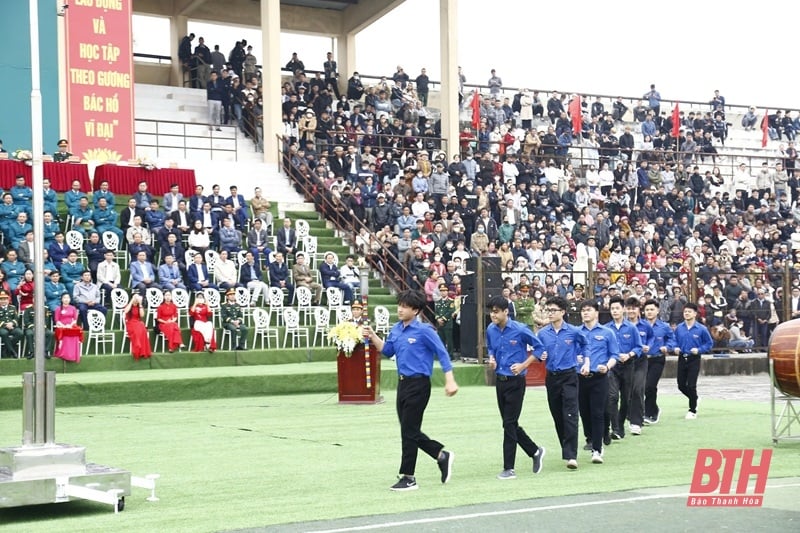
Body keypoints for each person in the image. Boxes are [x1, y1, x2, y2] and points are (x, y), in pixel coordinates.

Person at [362, 289, 458, 492]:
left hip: (419, 385)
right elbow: (387, 351)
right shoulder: (396, 329)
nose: (400, 309)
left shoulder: (425, 331)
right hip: (402, 384)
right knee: (409, 430)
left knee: (408, 431)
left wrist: (450, 380)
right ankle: (440, 455)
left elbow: (442, 353)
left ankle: (409, 476)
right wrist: (372, 336)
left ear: (416, 310)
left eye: (405, 306)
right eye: (400, 305)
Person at [485, 295, 546, 480]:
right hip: (500, 381)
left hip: (516, 382)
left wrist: (523, 365)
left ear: (505, 312)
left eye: (496, 312)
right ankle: (535, 451)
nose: (493, 315)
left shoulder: (520, 329)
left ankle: (509, 468)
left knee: (509, 424)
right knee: (508, 423)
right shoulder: (491, 329)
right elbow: (491, 347)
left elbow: (539, 349)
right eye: (491, 312)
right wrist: (492, 358)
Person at [537, 296, 588, 470]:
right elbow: (538, 350)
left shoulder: (573, 331)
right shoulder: (543, 333)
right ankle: (566, 447)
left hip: (570, 376)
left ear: (563, 312)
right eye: (548, 310)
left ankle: (571, 455)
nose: (550, 313)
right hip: (552, 377)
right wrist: (540, 355)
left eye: (553, 310)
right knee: (557, 415)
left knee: (571, 414)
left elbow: (585, 345)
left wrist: (583, 359)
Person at [578, 299, 619, 464]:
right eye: (583, 310)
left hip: (599, 376)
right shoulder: (577, 332)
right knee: (584, 412)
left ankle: (597, 448)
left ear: (596, 312)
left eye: (588, 310)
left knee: (597, 412)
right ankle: (590, 438)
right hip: (580, 377)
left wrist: (607, 367)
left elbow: (614, 355)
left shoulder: (607, 332)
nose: (585, 313)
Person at [604, 296, 643, 441]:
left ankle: (620, 423)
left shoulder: (631, 328)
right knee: (612, 396)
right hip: (613, 367)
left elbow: (638, 347)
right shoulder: (606, 328)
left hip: (628, 365)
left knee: (626, 398)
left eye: (617, 308)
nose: (614, 311)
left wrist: (629, 355)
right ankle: (615, 427)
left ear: (623, 310)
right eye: (612, 309)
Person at [669, 302, 713, 420]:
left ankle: (692, 410)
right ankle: (695, 398)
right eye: (685, 312)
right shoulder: (679, 328)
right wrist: (675, 347)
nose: (687, 313)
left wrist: (699, 350)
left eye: (689, 312)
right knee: (681, 385)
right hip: (682, 358)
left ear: (695, 314)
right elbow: (673, 340)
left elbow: (709, 343)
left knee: (692, 385)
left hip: (694, 359)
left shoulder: (701, 329)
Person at [624, 297, 653, 436]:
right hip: (625, 362)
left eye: (634, 308)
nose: (631, 311)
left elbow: (651, 337)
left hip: (641, 361)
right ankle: (627, 416)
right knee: (626, 392)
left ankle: (637, 421)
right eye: (629, 308)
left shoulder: (645, 325)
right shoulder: (622, 325)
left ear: (638, 310)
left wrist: (649, 346)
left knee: (638, 389)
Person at [642, 299, 674, 425]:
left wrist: (667, 347)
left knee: (650, 385)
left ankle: (650, 413)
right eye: (647, 310)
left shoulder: (664, 327)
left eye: (652, 310)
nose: (649, 312)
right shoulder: (640, 326)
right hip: (642, 360)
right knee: (643, 387)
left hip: (657, 359)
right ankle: (652, 409)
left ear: (657, 311)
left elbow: (672, 340)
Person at [54, 293, 83, 363]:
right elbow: (57, 320)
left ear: (70, 299)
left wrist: (70, 325)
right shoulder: (58, 309)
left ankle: (73, 355)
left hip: (71, 326)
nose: (66, 299)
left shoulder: (73, 308)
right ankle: (64, 354)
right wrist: (63, 326)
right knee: (63, 331)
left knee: (76, 331)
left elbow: (75, 319)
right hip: (61, 326)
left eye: (68, 298)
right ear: (61, 299)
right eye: (64, 298)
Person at [124, 292, 152, 360]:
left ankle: (143, 351)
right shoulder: (129, 305)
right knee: (137, 329)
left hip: (138, 322)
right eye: (135, 297)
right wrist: (132, 300)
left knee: (142, 326)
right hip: (131, 323)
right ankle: (137, 348)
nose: (136, 299)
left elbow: (142, 315)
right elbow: (125, 311)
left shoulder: (139, 306)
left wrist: (140, 304)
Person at [0, 290, 22, 358]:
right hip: (2, 327)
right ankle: (12, 351)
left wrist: (12, 323)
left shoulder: (12, 307)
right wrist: (5, 325)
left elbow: (16, 318)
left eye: (5, 299)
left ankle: (6, 349)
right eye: (2, 299)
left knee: (20, 333)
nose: (4, 301)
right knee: (4, 333)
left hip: (12, 326)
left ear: (8, 300)